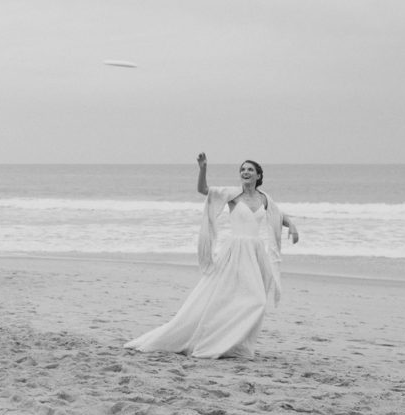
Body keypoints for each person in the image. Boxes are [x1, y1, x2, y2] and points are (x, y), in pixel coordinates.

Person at [125, 153, 299, 359]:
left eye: (250, 170)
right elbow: (203, 190)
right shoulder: (234, 195)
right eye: (242, 169)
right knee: (231, 299)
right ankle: (217, 341)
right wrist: (203, 169)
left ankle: (234, 343)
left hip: (255, 253)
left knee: (256, 300)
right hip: (235, 251)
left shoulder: (264, 198)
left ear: (258, 175)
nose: (245, 172)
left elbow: (278, 215)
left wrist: (293, 226)